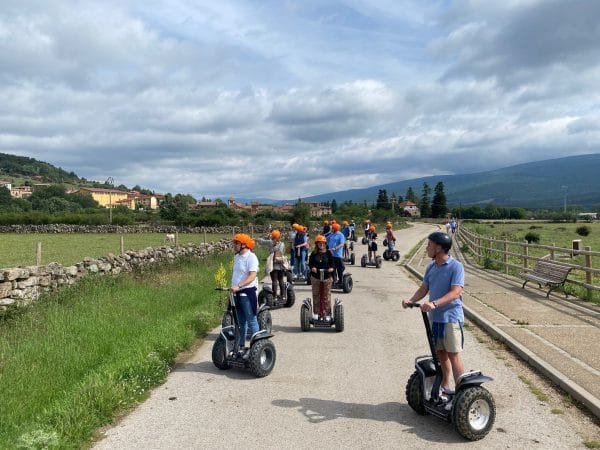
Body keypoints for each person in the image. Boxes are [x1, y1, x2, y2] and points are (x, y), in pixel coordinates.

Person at [402, 231, 465, 403]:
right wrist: (411, 300)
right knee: (440, 354)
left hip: (451, 317)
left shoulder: (456, 266)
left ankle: (462, 394)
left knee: (453, 354)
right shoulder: (431, 267)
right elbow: (424, 288)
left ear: (439, 247)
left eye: (429, 245)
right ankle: (445, 386)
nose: (427, 248)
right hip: (435, 318)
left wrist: (435, 304)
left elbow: (456, 292)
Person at [230, 233, 260, 357]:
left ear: (244, 245)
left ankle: (257, 346)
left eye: (236, 243)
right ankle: (241, 346)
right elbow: (235, 275)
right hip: (236, 293)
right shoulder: (237, 257)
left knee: (251, 320)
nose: (234, 245)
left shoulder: (251, 257)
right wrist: (232, 289)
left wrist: (239, 286)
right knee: (240, 322)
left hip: (247, 293)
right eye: (234, 243)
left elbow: (252, 276)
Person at [256, 229, 287, 303]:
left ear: (273, 236)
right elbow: (283, 252)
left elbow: (262, 241)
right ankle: (283, 296)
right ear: (279, 236)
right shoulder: (282, 244)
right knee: (281, 280)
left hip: (273, 265)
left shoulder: (270, 242)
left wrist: (256, 239)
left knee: (274, 281)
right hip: (281, 264)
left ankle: (275, 296)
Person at [308, 235, 335, 318]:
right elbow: (310, 263)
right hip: (316, 277)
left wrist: (331, 268)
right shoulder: (313, 253)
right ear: (317, 244)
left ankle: (327, 313)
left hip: (327, 277)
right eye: (320, 243)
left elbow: (332, 264)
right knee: (316, 295)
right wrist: (312, 267)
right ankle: (316, 313)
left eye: (323, 243)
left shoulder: (329, 253)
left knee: (327, 296)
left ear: (325, 244)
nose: (322, 245)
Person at [326, 222, 346, 287]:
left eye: (332, 228)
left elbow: (342, 244)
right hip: (331, 255)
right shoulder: (331, 235)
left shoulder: (340, 235)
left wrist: (335, 248)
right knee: (332, 269)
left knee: (340, 269)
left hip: (338, 255)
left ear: (335, 229)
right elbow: (326, 240)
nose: (331, 229)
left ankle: (341, 281)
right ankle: (334, 282)